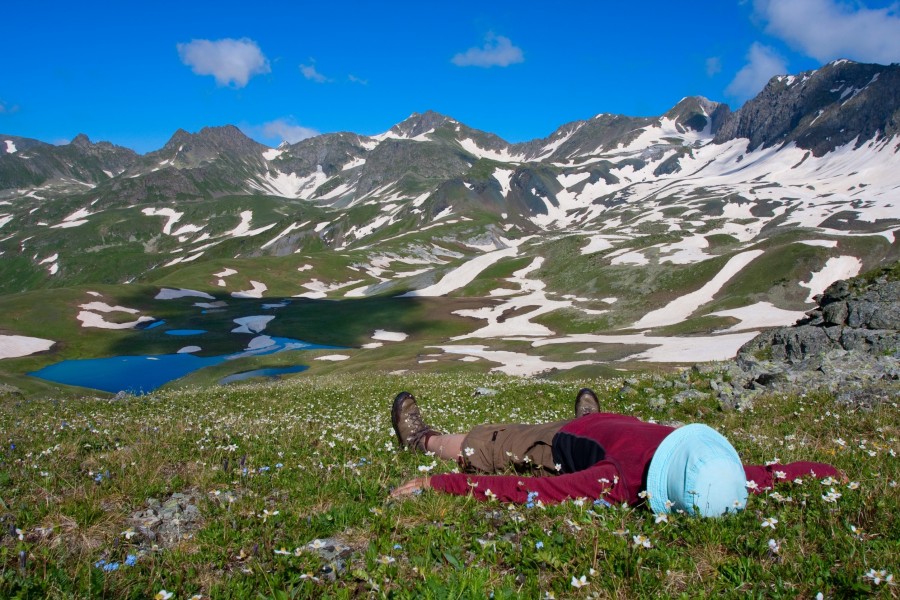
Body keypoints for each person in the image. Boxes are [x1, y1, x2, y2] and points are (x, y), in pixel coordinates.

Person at [389, 389, 843, 517]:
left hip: (568, 438)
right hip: (605, 429)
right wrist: (831, 473)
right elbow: (785, 474)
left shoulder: (620, 481)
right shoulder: (723, 476)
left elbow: (532, 488)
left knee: (492, 442)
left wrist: (439, 480)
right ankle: (593, 418)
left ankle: (424, 441)